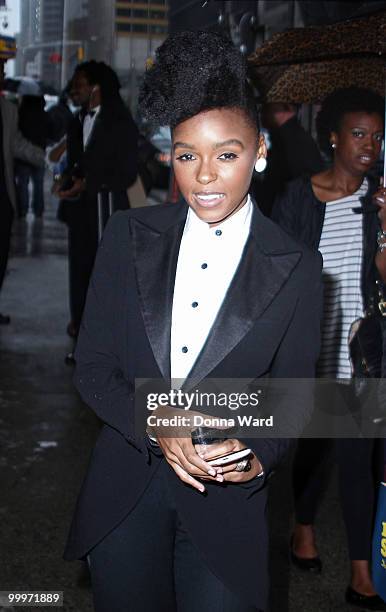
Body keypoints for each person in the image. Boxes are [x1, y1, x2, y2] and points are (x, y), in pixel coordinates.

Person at [64, 31, 323, 612]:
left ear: (259, 152)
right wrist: (159, 421)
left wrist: (258, 453)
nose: (204, 175)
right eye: (187, 155)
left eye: (226, 154)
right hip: (125, 493)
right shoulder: (128, 237)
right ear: (169, 155)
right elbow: (95, 366)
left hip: (227, 500)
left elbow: (297, 395)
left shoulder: (299, 267)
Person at [272, 87, 386, 610]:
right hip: (309, 351)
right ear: (334, 136)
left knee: (358, 459)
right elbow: (275, 272)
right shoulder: (298, 195)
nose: (369, 145)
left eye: (377, 136)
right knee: (313, 453)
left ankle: (362, 571)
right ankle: (302, 525)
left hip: (362, 355)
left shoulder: (378, 204)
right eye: (359, 134)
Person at [56, 61, 138, 356]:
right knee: (78, 274)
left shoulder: (120, 122)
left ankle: (104, 346)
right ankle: (80, 334)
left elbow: (127, 172)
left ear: (95, 88)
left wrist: (90, 183)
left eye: (79, 82)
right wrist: (67, 182)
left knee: (103, 278)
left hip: (107, 211)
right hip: (80, 212)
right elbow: (78, 163)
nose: (73, 88)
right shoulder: (77, 121)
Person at [0, 60, 45, 324]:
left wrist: (47, 158)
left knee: (2, 254)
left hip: (3, 197)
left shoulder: (8, 110)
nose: (3, 77)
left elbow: (16, 144)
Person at [253, 102, 323, 217]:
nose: (262, 115)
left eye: (267, 109)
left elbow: (286, 177)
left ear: (283, 110)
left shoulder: (291, 138)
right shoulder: (289, 134)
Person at [15, 95, 50, 218]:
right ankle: (38, 210)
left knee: (23, 184)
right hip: (39, 154)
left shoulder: (21, 115)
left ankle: (22, 210)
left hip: (23, 154)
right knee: (38, 184)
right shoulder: (44, 115)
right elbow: (51, 131)